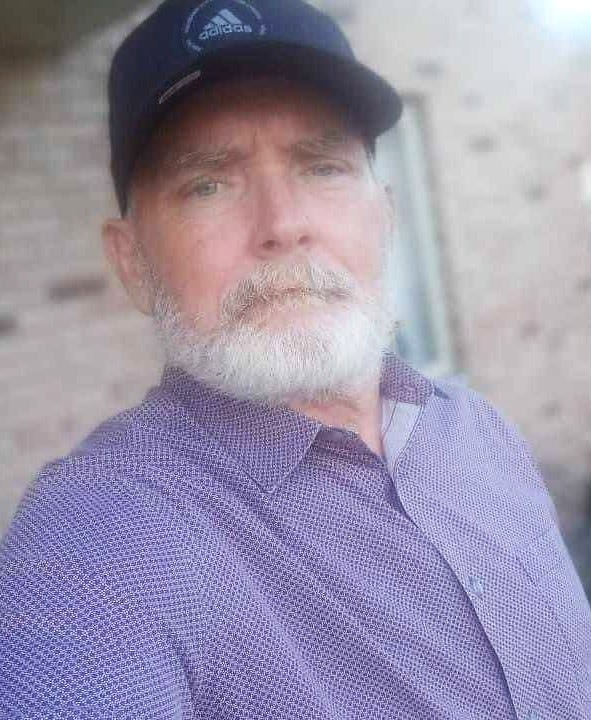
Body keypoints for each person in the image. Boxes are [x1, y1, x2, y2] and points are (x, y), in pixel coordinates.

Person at [1, 0, 590, 718]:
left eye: (322, 167)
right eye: (207, 184)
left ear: (386, 216)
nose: (283, 224)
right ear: (132, 263)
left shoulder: (476, 428)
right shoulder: (105, 537)